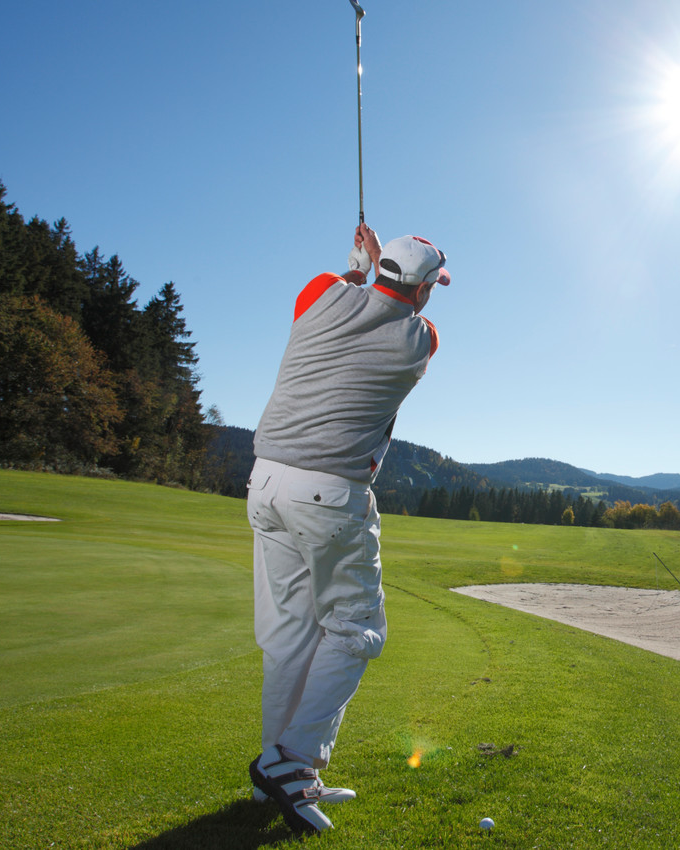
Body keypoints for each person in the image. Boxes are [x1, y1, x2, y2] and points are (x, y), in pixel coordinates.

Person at [245, 222, 449, 833]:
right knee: (357, 631)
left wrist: (358, 264)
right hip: (328, 495)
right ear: (423, 291)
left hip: (264, 482)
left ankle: (284, 775)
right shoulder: (419, 340)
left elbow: (343, 286)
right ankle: (293, 760)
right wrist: (373, 267)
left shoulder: (317, 294)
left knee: (287, 637)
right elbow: (402, 308)